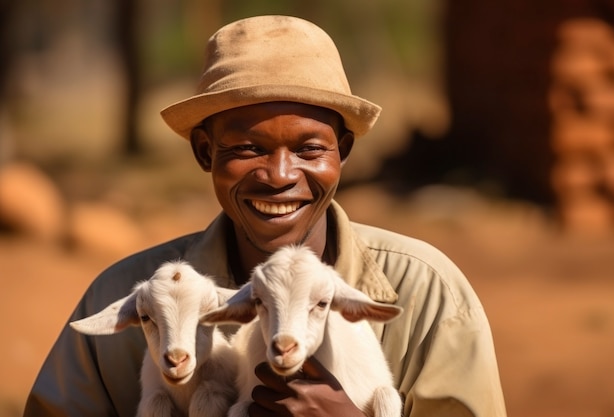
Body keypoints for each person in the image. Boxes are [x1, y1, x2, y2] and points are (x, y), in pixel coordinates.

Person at [23, 15, 507, 417]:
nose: (279, 175)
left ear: (342, 151)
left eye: (309, 149)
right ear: (204, 152)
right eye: (248, 148)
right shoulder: (125, 297)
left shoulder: (425, 293)